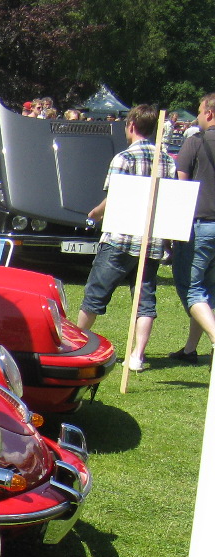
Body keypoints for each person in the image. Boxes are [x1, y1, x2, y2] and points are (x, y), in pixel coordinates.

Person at [75, 104, 178, 370]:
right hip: (151, 241)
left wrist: (95, 213)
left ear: (131, 125)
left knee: (95, 295)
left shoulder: (124, 158)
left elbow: (115, 197)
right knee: (145, 300)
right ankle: (137, 356)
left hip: (120, 239)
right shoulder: (166, 159)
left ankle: (75, 347)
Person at [169, 93, 215, 361]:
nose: (197, 117)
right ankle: (190, 350)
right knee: (209, 290)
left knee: (191, 288)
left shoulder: (195, 142)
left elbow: (180, 187)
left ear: (209, 113)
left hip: (199, 226)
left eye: (199, 112)